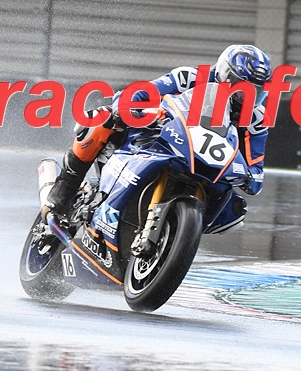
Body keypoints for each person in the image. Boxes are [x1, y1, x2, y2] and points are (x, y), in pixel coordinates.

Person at [44, 44, 272, 233]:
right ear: (225, 76)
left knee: (234, 210)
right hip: (159, 134)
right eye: (243, 90)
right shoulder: (190, 77)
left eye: (258, 92)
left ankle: (174, 234)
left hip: (207, 163)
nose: (249, 99)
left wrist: (250, 178)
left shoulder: (256, 118)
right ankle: (63, 192)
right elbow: (142, 92)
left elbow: (256, 168)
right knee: (101, 118)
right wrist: (127, 109)